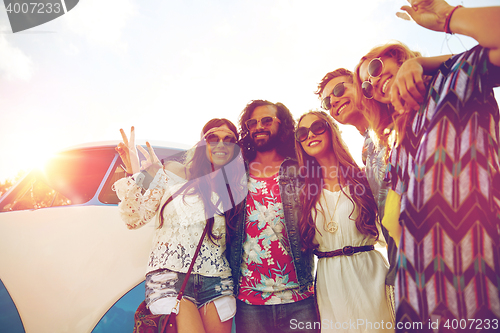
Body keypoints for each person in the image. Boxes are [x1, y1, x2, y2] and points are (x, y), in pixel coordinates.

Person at [357, 1, 500, 331]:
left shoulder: (456, 80)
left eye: (376, 68)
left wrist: (447, 19)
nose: (373, 83)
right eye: (366, 84)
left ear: (399, 57)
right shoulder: (395, 145)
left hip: (479, 283)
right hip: (418, 294)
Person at [113, 119, 246, 333]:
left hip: (218, 282)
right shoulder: (172, 173)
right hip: (169, 280)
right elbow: (134, 218)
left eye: (229, 140)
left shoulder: (235, 190)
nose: (221, 144)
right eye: (213, 138)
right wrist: (135, 172)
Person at [295, 110, 392, 332]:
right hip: (329, 280)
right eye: (302, 132)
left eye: (317, 127)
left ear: (331, 130)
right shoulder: (303, 190)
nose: (310, 134)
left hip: (369, 273)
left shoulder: (364, 177)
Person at [227, 100, 318, 333]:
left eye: (267, 120)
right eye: (252, 122)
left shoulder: (300, 168)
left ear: (282, 124)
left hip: (300, 295)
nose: (259, 126)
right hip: (250, 300)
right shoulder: (237, 171)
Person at [317, 68, 398, 322]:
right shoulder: (368, 148)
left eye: (339, 90)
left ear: (361, 84)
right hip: (401, 270)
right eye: (327, 101)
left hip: (443, 263)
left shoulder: (397, 121)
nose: (334, 101)